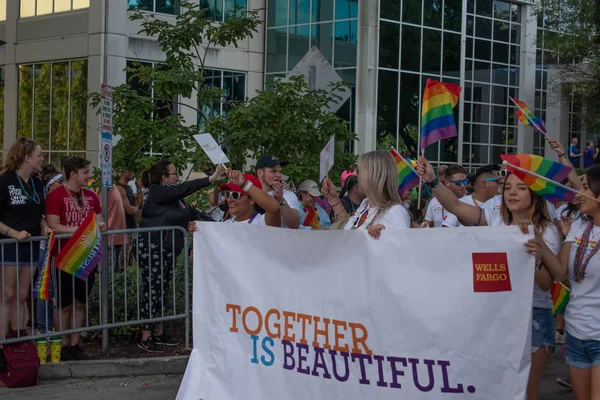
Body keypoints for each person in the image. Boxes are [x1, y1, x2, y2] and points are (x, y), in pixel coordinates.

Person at [417, 155, 561, 400]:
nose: (512, 193)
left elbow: (549, 282)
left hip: (533, 318)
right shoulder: (496, 220)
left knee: (526, 394)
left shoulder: (546, 231)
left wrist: (534, 260)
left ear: (535, 194)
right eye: (508, 187)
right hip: (497, 315)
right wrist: (431, 181)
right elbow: (456, 207)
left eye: (521, 188)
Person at [526, 165, 600, 399]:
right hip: (576, 332)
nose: (578, 194)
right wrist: (537, 239)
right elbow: (558, 273)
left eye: (585, 187)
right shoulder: (580, 226)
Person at [136, 161, 224, 352]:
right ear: (164, 178)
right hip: (152, 247)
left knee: (163, 290)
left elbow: (195, 214)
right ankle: (145, 334)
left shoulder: (178, 200)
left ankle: (159, 332)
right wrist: (210, 179)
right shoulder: (157, 191)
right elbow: (185, 188)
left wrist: (224, 227)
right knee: (153, 290)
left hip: (168, 249)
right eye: (175, 173)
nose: (178, 176)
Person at [45, 156, 107, 360]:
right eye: (85, 173)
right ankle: (62, 344)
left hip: (86, 257)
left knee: (80, 302)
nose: (88, 177)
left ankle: (75, 343)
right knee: (64, 304)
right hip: (64, 257)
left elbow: (99, 220)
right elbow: (54, 224)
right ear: (73, 174)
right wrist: (78, 230)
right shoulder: (56, 196)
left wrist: (100, 226)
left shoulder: (91, 196)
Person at [0, 138, 48, 338]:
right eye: (39, 155)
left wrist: (44, 226)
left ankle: (20, 337)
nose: (42, 158)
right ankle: (3, 341)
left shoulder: (36, 183)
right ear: (27, 157)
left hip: (31, 244)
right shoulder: (5, 181)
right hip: (10, 245)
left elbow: (39, 214)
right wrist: (13, 233)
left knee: (22, 294)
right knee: (7, 294)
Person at [322, 150, 411, 238]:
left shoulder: (396, 212)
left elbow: (399, 248)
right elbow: (351, 231)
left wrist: (386, 236)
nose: (356, 175)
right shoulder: (366, 204)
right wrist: (333, 198)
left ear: (372, 176)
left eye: (358, 170)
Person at [36, 165, 64, 334]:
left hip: (56, 249)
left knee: (52, 289)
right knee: (45, 288)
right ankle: (44, 328)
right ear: (51, 185)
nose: (63, 184)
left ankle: (50, 326)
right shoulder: (45, 200)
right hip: (44, 249)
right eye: (60, 182)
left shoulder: (57, 199)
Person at [256, 155, 302, 229]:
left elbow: (295, 225)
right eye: (273, 171)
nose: (278, 175)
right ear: (260, 172)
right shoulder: (252, 194)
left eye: (280, 171)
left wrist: (281, 201)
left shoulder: (289, 195)